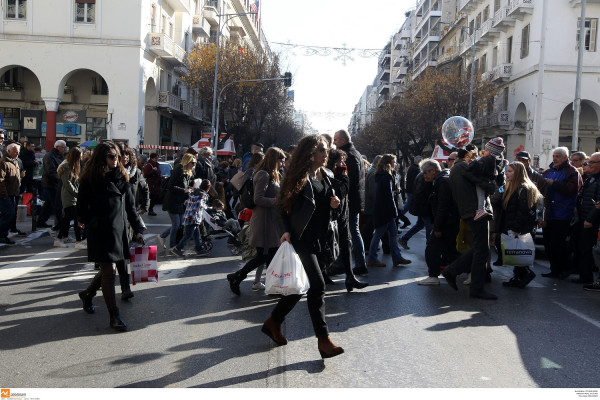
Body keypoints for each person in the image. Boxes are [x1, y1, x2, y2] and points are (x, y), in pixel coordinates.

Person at [262, 134, 344, 359]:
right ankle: (323, 340)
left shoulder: (326, 175)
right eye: (321, 150)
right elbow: (280, 206)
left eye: (326, 150)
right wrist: (285, 231)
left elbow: (331, 209)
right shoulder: (297, 176)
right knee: (317, 286)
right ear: (310, 153)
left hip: (320, 237)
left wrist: (335, 204)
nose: (325, 154)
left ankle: (273, 321)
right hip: (301, 238)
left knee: (301, 286)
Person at [76, 141, 145, 332]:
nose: (117, 160)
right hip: (100, 231)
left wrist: (138, 228)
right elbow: (80, 210)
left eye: (118, 156)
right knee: (109, 272)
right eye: (112, 157)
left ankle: (88, 294)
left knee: (110, 267)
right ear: (101, 158)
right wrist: (93, 221)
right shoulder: (90, 179)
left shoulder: (123, 177)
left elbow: (131, 208)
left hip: (120, 231)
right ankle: (114, 315)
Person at [441, 144, 498, 300]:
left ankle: (453, 271)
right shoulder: (464, 168)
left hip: (470, 210)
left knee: (482, 248)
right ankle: (475, 287)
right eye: (473, 156)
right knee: (482, 250)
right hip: (476, 211)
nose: (475, 159)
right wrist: (491, 185)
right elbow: (486, 184)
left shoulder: (458, 168)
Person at [227, 147, 286, 295]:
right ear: (274, 160)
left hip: (270, 220)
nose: (283, 164)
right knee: (264, 256)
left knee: (271, 255)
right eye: (281, 160)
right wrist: (276, 200)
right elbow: (257, 199)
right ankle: (237, 276)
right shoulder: (263, 174)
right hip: (263, 221)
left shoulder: (273, 174)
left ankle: (272, 285)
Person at [491, 161, 541, 288]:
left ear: (518, 173)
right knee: (514, 252)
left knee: (519, 252)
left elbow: (522, 210)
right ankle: (518, 276)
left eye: (510, 171)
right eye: (507, 171)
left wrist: (516, 228)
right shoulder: (508, 186)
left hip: (519, 227)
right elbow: (499, 198)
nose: (507, 174)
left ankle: (525, 274)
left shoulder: (524, 188)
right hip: (508, 224)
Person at [326, 148, 368, 291]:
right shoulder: (329, 174)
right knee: (330, 246)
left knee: (346, 244)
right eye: (340, 160)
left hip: (343, 213)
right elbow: (341, 192)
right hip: (332, 216)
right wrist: (344, 178)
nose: (343, 162)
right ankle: (323, 273)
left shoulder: (338, 172)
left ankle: (350, 277)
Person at [540, 147, 582, 279]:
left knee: (560, 244)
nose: (555, 158)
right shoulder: (547, 172)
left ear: (565, 158)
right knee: (549, 244)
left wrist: (554, 184)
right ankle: (554, 269)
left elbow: (571, 190)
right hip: (548, 214)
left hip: (563, 214)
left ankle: (564, 269)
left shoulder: (572, 172)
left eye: (558, 156)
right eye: (553, 156)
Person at [419, 159, 461, 285]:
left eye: (426, 173)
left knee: (431, 250)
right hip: (450, 221)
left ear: (433, 171)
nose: (424, 176)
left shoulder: (442, 181)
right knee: (451, 251)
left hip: (446, 223)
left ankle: (433, 276)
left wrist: (438, 228)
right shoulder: (442, 179)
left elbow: (443, 206)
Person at [367, 154, 411, 268]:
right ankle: (372, 258)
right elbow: (389, 196)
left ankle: (397, 258)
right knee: (379, 234)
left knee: (392, 234)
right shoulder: (386, 176)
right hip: (385, 211)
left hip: (383, 210)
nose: (395, 164)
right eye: (394, 162)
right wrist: (394, 212)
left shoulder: (381, 174)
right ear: (389, 163)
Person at [333, 130, 367, 277]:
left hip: (350, 199)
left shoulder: (348, 155)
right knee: (353, 231)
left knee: (349, 232)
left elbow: (349, 180)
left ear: (343, 140)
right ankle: (359, 264)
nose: (334, 142)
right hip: (356, 198)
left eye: (335, 139)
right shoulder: (356, 153)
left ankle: (352, 264)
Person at [572, 152, 600, 285]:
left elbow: (598, 204)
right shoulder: (591, 178)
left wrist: (590, 219)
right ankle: (584, 276)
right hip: (584, 218)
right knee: (583, 248)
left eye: (592, 163)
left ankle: (588, 277)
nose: (589, 165)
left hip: (593, 221)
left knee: (589, 249)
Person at [159, 153, 196, 252]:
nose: (194, 165)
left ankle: (162, 236)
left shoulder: (188, 172)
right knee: (176, 224)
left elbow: (185, 186)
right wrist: (184, 190)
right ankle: (172, 246)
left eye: (195, 163)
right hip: (172, 200)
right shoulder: (179, 169)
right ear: (187, 161)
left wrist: (190, 189)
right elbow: (171, 186)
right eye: (192, 163)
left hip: (179, 201)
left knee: (179, 224)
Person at [169, 179, 211, 257]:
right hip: (194, 217)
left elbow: (186, 203)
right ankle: (177, 248)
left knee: (196, 233)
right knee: (189, 235)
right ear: (208, 189)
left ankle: (199, 248)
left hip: (188, 215)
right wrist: (207, 207)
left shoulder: (193, 192)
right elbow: (200, 205)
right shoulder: (203, 196)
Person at [54, 147, 86, 249]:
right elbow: (67, 183)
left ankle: (59, 239)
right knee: (76, 219)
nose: (81, 159)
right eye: (80, 157)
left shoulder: (71, 166)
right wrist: (78, 194)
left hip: (72, 196)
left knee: (67, 219)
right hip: (69, 196)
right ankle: (78, 241)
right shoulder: (66, 166)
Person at [468, 137, 506, 221]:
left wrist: (472, 160)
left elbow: (474, 168)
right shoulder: (499, 161)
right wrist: (500, 184)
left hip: (483, 181)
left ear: (490, 152)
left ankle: (480, 209)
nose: (484, 152)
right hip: (490, 183)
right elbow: (501, 178)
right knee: (482, 195)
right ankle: (481, 209)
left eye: (486, 150)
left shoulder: (486, 160)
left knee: (480, 193)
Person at [399, 166, 434, 250]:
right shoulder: (424, 177)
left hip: (421, 206)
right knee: (429, 226)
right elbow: (422, 192)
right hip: (424, 206)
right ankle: (430, 247)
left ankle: (404, 238)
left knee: (420, 224)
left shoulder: (421, 175)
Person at [37, 140, 66, 229]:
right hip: (51, 183)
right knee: (56, 203)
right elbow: (51, 171)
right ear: (58, 147)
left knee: (49, 204)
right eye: (63, 147)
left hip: (56, 182)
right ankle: (59, 223)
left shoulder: (60, 155)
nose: (64, 149)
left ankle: (41, 221)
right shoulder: (49, 156)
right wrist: (61, 179)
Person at [0, 143, 21, 244]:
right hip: (5, 194)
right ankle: (2, 234)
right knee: (9, 213)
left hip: (13, 193)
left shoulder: (15, 161)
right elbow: (1, 180)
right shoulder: (3, 162)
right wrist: (4, 194)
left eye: (18, 152)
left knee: (9, 214)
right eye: (15, 152)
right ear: (9, 151)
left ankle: (3, 234)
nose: (17, 154)